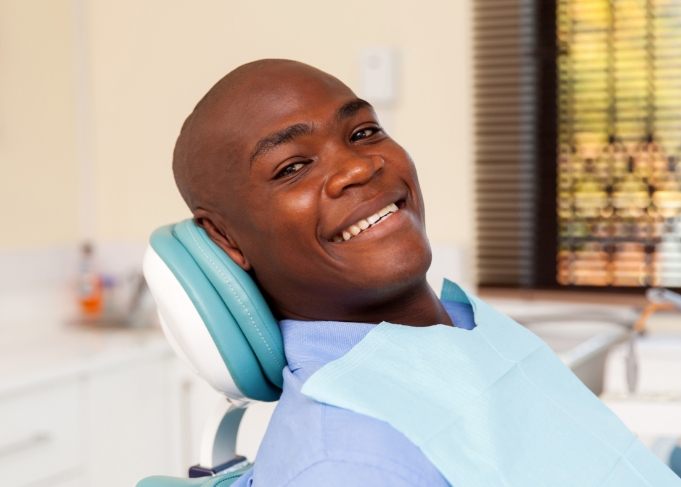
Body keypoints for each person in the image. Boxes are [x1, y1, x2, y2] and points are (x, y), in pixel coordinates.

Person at [173, 59, 475, 486]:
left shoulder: (469, 326)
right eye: (292, 167)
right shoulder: (346, 463)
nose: (358, 167)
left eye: (363, 133)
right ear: (227, 238)